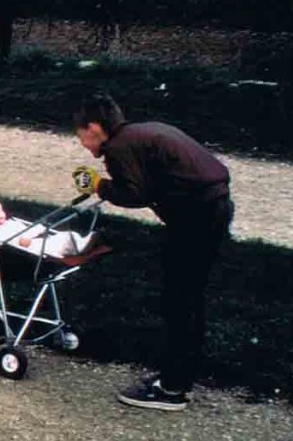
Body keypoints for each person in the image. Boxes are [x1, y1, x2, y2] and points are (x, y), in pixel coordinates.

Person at [71, 93, 233, 411]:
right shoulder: (144, 131)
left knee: (179, 300)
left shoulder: (119, 146)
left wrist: (97, 185)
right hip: (214, 208)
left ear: (94, 127)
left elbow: (134, 194)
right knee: (188, 297)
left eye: (82, 138)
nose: (84, 146)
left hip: (195, 219)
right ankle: (178, 378)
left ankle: (172, 389)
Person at [0, 192, 93, 259]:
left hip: (37, 241)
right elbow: (16, 241)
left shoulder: (9, 223)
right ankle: (77, 247)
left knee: (66, 235)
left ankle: (79, 244)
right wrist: (30, 238)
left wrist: (38, 229)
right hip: (31, 252)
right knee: (60, 241)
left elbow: (25, 230)